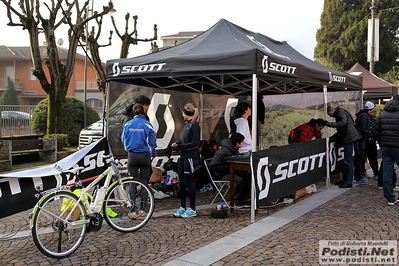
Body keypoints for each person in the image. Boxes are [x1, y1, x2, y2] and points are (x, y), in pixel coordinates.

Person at [121, 103, 157, 219]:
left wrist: (130, 151)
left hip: (132, 155)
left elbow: (124, 141)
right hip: (144, 156)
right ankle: (142, 210)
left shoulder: (128, 124)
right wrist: (149, 154)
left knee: (132, 183)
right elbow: (153, 143)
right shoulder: (148, 125)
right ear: (143, 112)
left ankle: (132, 211)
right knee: (144, 182)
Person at [172, 103, 201, 218]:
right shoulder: (187, 125)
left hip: (190, 157)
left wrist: (182, 146)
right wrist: (179, 143)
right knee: (181, 183)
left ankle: (192, 208)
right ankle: (182, 206)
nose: (182, 114)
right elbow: (186, 140)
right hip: (183, 156)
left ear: (186, 113)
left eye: (183, 112)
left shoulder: (194, 125)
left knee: (189, 183)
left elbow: (195, 143)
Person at [324, 105, 362, 188]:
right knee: (347, 160)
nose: (330, 116)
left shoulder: (340, 112)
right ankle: (345, 179)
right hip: (348, 137)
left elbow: (343, 123)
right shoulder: (341, 112)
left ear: (332, 110)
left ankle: (348, 181)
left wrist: (328, 124)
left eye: (329, 114)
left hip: (349, 138)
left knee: (348, 161)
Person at [209, 133, 250, 208]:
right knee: (239, 180)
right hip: (221, 174)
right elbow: (213, 165)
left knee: (248, 175)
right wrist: (227, 168)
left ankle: (244, 199)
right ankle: (235, 201)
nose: (243, 143)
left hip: (231, 171)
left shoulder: (234, 149)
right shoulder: (223, 151)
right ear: (237, 143)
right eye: (242, 142)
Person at [375, 95, 399, 205]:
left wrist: (381, 142)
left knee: (387, 171)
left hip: (385, 147)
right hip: (397, 146)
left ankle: (390, 198)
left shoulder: (382, 115)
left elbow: (376, 131)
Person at [354, 101, 377, 184]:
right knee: (360, 158)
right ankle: (359, 176)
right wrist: (370, 134)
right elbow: (363, 128)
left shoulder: (363, 115)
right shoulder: (364, 116)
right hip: (362, 140)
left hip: (363, 139)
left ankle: (360, 175)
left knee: (362, 158)